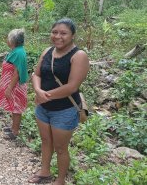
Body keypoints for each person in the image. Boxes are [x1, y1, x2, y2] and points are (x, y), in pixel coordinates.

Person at [28, 18, 89, 185]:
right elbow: (37, 74)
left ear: (73, 36)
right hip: (43, 108)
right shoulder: (47, 51)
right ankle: (45, 171)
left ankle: (60, 180)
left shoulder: (79, 56)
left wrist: (44, 95)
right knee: (46, 141)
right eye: (55, 32)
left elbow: (72, 86)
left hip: (64, 110)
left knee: (61, 148)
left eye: (63, 33)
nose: (58, 36)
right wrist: (38, 91)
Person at [0, 29, 28, 140]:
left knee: (16, 108)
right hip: (13, 85)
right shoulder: (16, 51)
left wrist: (9, 88)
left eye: (8, 38)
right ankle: (12, 127)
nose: (7, 40)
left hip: (16, 86)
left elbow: (17, 72)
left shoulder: (19, 53)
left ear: (12, 40)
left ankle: (14, 132)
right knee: (13, 107)